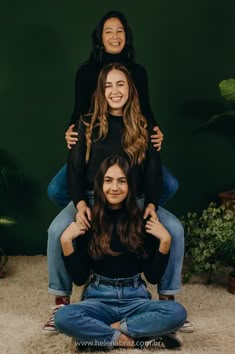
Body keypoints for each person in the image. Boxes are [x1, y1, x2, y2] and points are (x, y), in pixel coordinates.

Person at [43, 63, 190, 334]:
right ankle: (61, 303)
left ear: (130, 89)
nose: (114, 90)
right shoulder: (85, 125)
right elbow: (74, 172)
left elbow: (154, 173)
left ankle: (167, 296)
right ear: (101, 91)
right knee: (55, 231)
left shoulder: (143, 125)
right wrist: (81, 205)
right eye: (108, 85)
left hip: (133, 198)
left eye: (120, 84)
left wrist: (152, 206)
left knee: (175, 230)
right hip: (89, 197)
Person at [47, 10, 178, 209]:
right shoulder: (86, 72)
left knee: (169, 185)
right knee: (56, 190)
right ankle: (98, 220)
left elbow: (146, 111)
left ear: (127, 36)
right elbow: (78, 111)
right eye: (109, 31)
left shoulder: (138, 72)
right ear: (100, 37)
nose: (115, 36)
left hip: (130, 140)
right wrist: (71, 131)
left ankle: (129, 219)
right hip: (97, 143)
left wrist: (156, 131)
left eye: (120, 31)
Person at [55, 155, 187, 351]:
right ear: (99, 185)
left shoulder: (143, 221)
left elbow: (152, 276)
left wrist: (165, 242)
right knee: (62, 318)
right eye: (108, 181)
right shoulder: (88, 221)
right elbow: (79, 278)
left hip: (136, 299)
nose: (114, 187)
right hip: (99, 299)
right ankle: (136, 341)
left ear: (130, 186)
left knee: (177, 313)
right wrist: (66, 242)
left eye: (121, 181)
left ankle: (102, 336)